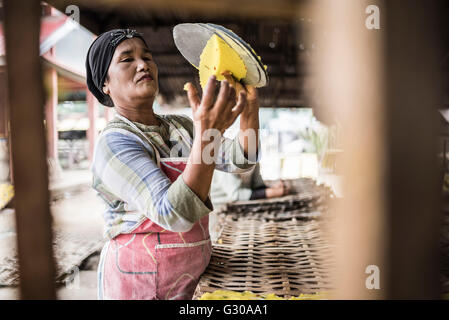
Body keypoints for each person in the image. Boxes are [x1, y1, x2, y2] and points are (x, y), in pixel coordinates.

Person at [85, 29, 260, 300]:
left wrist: (250, 109)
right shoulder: (115, 143)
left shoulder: (182, 128)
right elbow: (172, 214)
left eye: (147, 57)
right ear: (104, 84)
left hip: (191, 277)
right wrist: (207, 137)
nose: (143, 64)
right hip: (138, 283)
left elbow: (241, 159)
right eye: (126, 59)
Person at [210, 162, 290, 207]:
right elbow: (235, 195)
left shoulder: (253, 157)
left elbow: (257, 186)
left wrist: (273, 189)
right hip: (220, 212)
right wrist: (273, 192)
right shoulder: (225, 160)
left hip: (243, 208)